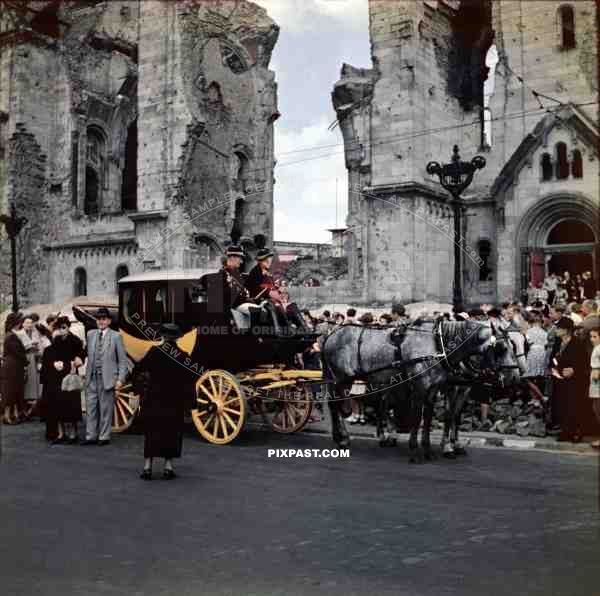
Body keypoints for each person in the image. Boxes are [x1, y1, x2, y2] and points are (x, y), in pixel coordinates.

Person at [138, 324, 196, 480]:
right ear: (177, 338)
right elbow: (190, 379)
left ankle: (147, 466)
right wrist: (190, 403)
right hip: (173, 399)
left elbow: (140, 369)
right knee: (171, 432)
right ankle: (168, 467)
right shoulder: (183, 355)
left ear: (162, 337)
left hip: (154, 397)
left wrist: (140, 390)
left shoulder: (154, 352)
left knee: (152, 431)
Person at [82, 307, 128, 446]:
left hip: (107, 378)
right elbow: (87, 354)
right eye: (98, 319)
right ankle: (90, 436)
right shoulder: (91, 335)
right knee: (90, 408)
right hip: (92, 377)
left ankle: (104, 436)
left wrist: (120, 379)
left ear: (109, 321)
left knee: (105, 409)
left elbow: (122, 360)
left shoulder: (116, 336)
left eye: (103, 319)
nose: (101, 321)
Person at [40, 316, 85, 443]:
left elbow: (81, 354)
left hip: (69, 375)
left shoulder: (75, 340)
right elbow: (51, 354)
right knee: (58, 406)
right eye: (59, 328)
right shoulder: (57, 340)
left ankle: (73, 434)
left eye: (64, 327)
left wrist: (78, 359)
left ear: (68, 327)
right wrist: (54, 363)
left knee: (71, 406)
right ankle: (61, 434)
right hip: (57, 377)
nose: (62, 330)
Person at [551, 317, 589, 442]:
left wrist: (574, 370)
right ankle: (565, 431)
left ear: (566, 330)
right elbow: (553, 358)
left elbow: (584, 362)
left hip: (574, 381)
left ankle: (576, 432)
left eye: (559, 328)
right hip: (559, 378)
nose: (556, 330)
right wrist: (553, 368)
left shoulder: (578, 343)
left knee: (574, 406)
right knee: (562, 405)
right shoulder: (557, 342)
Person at [1, 312, 27, 424]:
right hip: (12, 366)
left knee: (12, 391)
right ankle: (7, 416)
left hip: (13, 366)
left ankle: (10, 415)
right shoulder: (11, 336)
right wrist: (26, 360)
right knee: (10, 392)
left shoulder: (10, 334)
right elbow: (17, 352)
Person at [17, 315, 42, 417]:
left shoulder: (35, 333)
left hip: (33, 359)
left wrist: (36, 347)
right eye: (27, 322)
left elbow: (39, 347)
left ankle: (30, 409)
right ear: (22, 324)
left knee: (33, 383)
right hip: (24, 359)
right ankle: (23, 409)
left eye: (31, 323)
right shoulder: (19, 334)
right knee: (25, 383)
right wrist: (31, 345)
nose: (29, 325)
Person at [588, 327, 600, 448]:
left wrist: (597, 373)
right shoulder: (596, 348)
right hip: (595, 383)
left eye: (595, 336)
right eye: (591, 336)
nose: (592, 339)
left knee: (598, 409)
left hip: (598, 382)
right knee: (596, 409)